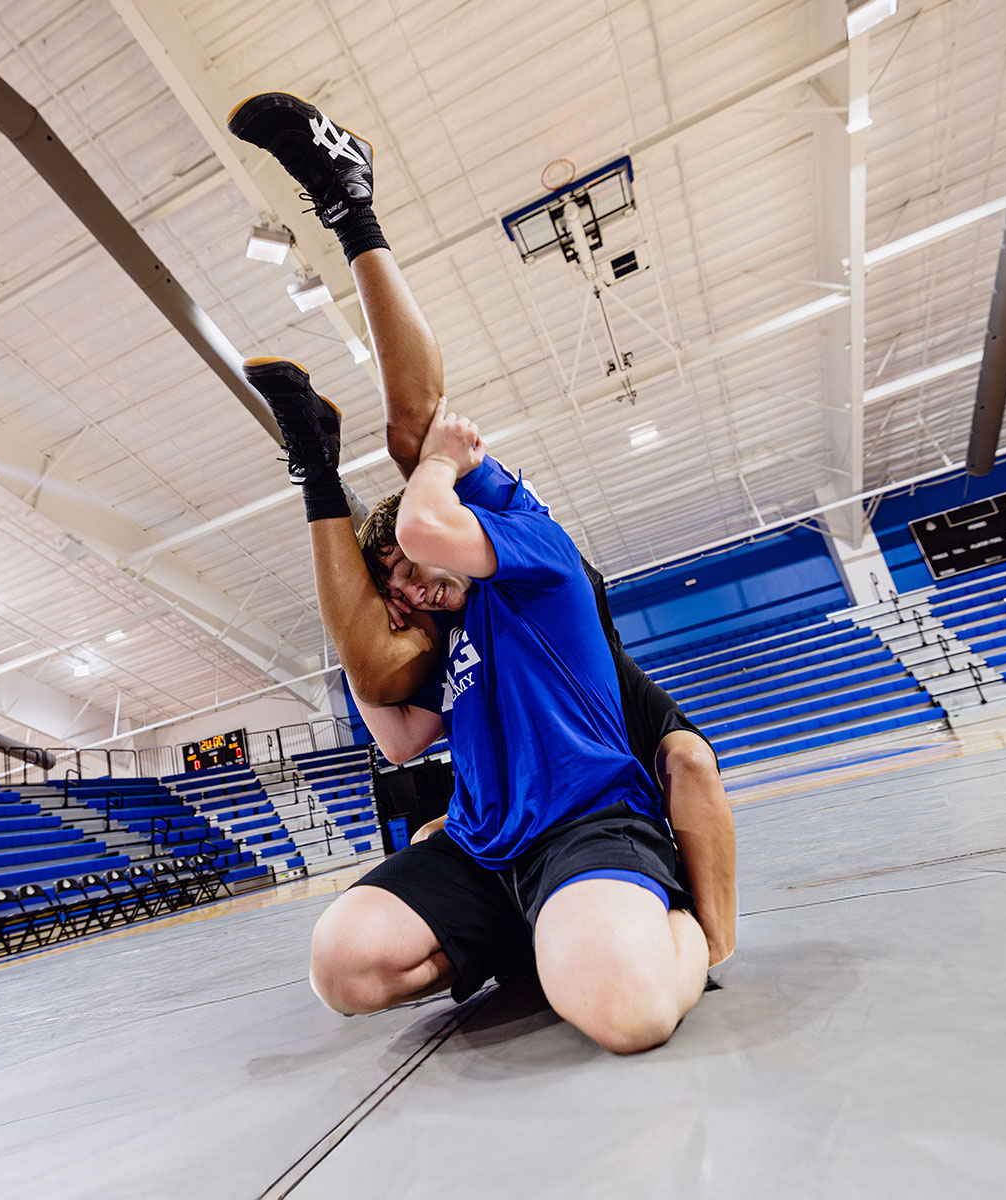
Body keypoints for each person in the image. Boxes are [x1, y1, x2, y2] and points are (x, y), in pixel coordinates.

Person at [227, 95, 734, 1050]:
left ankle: (348, 196)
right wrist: (348, 558)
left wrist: (435, 464)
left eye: (415, 571)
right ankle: (314, 464)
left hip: (586, 824)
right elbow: (393, 728)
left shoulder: (526, 556)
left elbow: (421, 447)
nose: (413, 589)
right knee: (343, 966)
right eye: (399, 591)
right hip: (484, 847)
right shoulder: (451, 648)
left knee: (625, 1012)